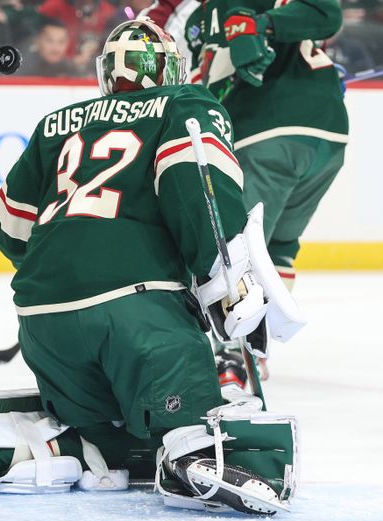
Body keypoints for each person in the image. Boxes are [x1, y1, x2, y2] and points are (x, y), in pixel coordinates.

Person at [0, 17, 300, 515]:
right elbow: (198, 187)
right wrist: (224, 278)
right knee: (186, 419)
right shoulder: (186, 104)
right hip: (137, 315)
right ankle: (191, 453)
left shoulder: (55, 123)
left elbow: (8, 228)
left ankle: (20, 453)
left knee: (110, 445)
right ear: (168, 67)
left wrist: (65, 266)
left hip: (43, 321)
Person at [146, 0, 349, 378]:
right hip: (327, 137)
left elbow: (309, 16)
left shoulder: (217, 10)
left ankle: (234, 357)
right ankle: (259, 349)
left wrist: (259, 26)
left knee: (236, 250)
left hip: (268, 132)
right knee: (279, 248)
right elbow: (324, 15)